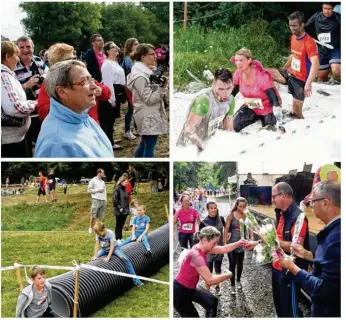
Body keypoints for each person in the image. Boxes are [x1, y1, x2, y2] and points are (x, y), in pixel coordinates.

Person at [274, 181, 340, 317]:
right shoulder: (333, 231)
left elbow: (326, 289)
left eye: (312, 202)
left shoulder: (336, 237)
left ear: (325, 203)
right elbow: (327, 261)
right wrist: (308, 254)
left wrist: (293, 268)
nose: (310, 206)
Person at [34, 60, 114, 157]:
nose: (94, 86)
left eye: (91, 79)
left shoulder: (80, 116)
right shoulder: (58, 145)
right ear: (62, 92)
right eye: (84, 81)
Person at [174, 226, 247, 317]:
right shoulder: (196, 256)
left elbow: (222, 249)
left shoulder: (202, 247)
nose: (215, 245)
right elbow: (210, 280)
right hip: (180, 291)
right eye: (214, 242)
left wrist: (239, 243)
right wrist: (229, 275)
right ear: (205, 240)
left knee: (212, 302)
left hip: (191, 288)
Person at [37, 43, 110, 125]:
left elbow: (107, 94)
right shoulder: (49, 84)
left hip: (92, 126)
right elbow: (43, 113)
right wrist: (68, 101)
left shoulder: (83, 76)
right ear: (57, 64)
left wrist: (101, 90)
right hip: (68, 130)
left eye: (75, 58)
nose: (74, 62)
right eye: (69, 60)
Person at [267, 11, 319, 119]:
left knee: (296, 114)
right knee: (266, 72)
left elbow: (316, 64)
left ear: (302, 24)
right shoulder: (293, 37)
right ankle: (271, 104)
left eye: (294, 25)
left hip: (301, 80)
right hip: (290, 72)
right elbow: (293, 54)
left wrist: (308, 84)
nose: (292, 28)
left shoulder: (309, 43)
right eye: (290, 25)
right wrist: (284, 68)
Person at [271, 182, 310, 317]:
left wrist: (272, 242)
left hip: (290, 271)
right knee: (280, 307)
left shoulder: (298, 217)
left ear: (283, 196)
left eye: (274, 196)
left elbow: (297, 247)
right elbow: (278, 239)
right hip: (277, 267)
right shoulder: (280, 214)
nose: (272, 200)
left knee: (290, 311)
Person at [177, 68, 235, 151]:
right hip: (189, 147)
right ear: (213, 85)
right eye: (221, 89)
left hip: (208, 142)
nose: (226, 93)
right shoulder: (203, 100)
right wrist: (205, 147)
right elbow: (189, 131)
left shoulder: (231, 100)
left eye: (229, 88)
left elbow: (229, 130)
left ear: (233, 85)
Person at [127, 44, 168, 157]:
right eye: (151, 54)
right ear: (143, 57)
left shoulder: (143, 72)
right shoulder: (140, 76)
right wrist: (162, 88)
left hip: (148, 113)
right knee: (149, 148)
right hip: (147, 115)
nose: (155, 56)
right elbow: (149, 99)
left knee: (144, 144)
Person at [230, 48, 282, 132]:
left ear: (249, 60)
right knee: (231, 127)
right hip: (251, 105)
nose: (238, 63)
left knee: (270, 132)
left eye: (241, 60)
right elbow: (231, 94)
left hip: (267, 107)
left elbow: (274, 101)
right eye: (236, 60)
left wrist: (279, 119)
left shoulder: (262, 76)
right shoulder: (238, 74)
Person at [14, 36, 49, 156]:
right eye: (21, 47)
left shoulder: (39, 61)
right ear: (17, 49)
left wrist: (43, 78)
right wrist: (26, 85)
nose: (25, 50)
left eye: (28, 47)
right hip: (24, 115)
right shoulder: (12, 65)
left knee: (43, 144)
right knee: (26, 148)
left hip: (41, 110)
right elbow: (8, 90)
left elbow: (49, 75)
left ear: (33, 48)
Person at [1, 41, 36, 157]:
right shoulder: (3, 76)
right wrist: (35, 104)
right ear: (7, 56)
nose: (18, 59)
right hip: (10, 141)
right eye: (16, 55)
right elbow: (15, 108)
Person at [91, 221, 143, 287]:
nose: (100, 235)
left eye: (100, 233)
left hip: (115, 249)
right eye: (98, 234)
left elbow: (112, 246)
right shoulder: (98, 234)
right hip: (104, 249)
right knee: (92, 259)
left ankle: (135, 279)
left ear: (104, 229)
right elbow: (96, 245)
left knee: (124, 258)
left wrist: (108, 257)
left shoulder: (110, 233)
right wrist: (95, 255)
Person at [224, 197, 257, 294]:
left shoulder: (247, 215)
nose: (242, 208)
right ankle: (232, 285)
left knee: (240, 264)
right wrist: (225, 243)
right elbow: (226, 228)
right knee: (232, 264)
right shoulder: (231, 215)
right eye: (240, 206)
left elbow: (250, 227)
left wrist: (251, 238)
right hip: (232, 243)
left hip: (242, 243)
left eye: (244, 206)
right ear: (236, 205)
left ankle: (238, 281)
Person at [305, 3, 341, 83]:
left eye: (329, 9)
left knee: (336, 71)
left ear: (333, 8)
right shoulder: (316, 16)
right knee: (321, 78)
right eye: (324, 8)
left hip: (335, 49)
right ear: (322, 8)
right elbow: (306, 27)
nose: (327, 11)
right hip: (321, 50)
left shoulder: (339, 17)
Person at [100, 41, 126, 150]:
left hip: (118, 91)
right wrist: (111, 99)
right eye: (113, 47)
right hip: (112, 93)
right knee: (108, 120)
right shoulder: (107, 64)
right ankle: (109, 143)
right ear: (107, 51)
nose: (116, 48)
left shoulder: (114, 62)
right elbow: (108, 83)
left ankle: (110, 138)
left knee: (112, 120)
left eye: (116, 46)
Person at [199, 202, 225, 295]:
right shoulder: (203, 222)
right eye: (211, 208)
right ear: (207, 209)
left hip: (219, 248)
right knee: (208, 270)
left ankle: (218, 287)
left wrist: (227, 236)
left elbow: (226, 229)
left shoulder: (221, 219)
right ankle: (208, 290)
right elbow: (200, 238)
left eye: (215, 208)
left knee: (218, 268)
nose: (213, 210)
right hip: (208, 251)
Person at [122, 37, 139, 139]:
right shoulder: (128, 58)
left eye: (138, 43)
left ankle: (136, 128)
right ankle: (127, 130)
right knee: (131, 108)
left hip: (136, 85)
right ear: (130, 46)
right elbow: (133, 70)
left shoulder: (136, 57)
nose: (138, 45)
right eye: (135, 44)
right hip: (129, 86)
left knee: (137, 107)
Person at [87, 168, 107, 234]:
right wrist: (97, 190)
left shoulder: (102, 182)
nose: (103, 174)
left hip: (103, 200)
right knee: (93, 214)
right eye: (102, 173)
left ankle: (97, 229)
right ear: (99, 173)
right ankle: (90, 227)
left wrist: (105, 199)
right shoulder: (93, 180)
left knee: (99, 216)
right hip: (96, 199)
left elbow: (104, 191)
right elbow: (89, 190)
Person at [113, 175, 130, 240]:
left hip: (125, 210)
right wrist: (119, 207)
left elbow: (126, 200)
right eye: (125, 182)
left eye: (127, 182)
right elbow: (115, 199)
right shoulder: (117, 189)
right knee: (118, 225)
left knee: (121, 225)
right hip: (119, 210)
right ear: (121, 182)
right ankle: (117, 238)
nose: (127, 183)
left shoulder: (125, 189)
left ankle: (120, 237)